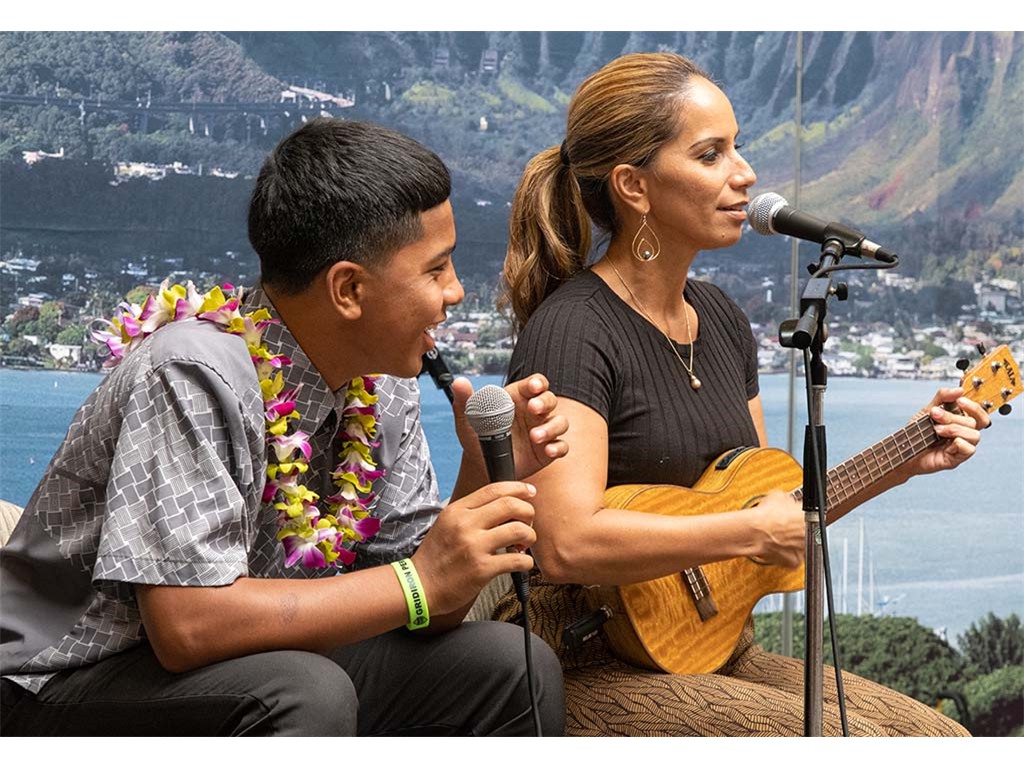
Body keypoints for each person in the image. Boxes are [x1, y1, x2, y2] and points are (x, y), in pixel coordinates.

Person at [0, 119, 568, 737]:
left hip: (262, 665)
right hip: (60, 681)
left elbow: (425, 604)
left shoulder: (385, 383)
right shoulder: (191, 372)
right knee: (303, 692)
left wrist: (479, 474)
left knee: (511, 666)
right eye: (436, 269)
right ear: (348, 288)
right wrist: (420, 580)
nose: (455, 291)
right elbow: (188, 627)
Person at [496, 52, 990, 737]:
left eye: (738, 146)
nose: (745, 173)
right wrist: (748, 530)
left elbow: (769, 512)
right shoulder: (574, 330)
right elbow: (566, 543)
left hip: (711, 646)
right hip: (587, 660)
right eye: (711, 154)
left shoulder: (721, 320)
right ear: (633, 186)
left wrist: (906, 458)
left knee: (941, 738)